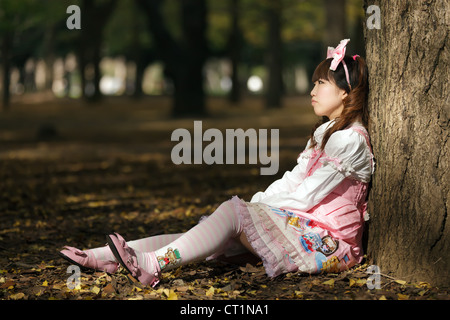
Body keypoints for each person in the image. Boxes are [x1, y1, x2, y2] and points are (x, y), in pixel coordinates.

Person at [59, 39, 374, 287]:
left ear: (346, 93)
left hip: (328, 240)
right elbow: (294, 179)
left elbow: (307, 196)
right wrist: (259, 204)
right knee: (218, 227)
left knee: (233, 215)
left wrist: (252, 214)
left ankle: (150, 265)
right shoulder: (327, 132)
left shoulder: (350, 140)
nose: (312, 91)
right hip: (303, 223)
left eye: (321, 83)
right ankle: (104, 257)